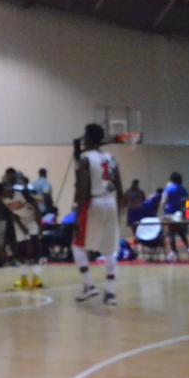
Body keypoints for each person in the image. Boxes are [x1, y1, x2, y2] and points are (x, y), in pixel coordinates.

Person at [72, 124, 122, 306]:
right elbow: (119, 186)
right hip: (111, 202)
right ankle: (110, 292)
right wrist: (119, 210)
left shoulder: (85, 159)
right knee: (109, 248)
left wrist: (78, 211)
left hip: (94, 203)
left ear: (89, 138)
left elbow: (83, 188)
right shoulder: (110, 158)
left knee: (77, 245)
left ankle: (89, 285)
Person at [2, 184, 43, 289]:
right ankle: (23, 278)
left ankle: (36, 278)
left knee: (35, 250)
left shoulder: (27, 197)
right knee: (21, 251)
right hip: (20, 224)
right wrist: (21, 227)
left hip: (32, 222)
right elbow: (13, 215)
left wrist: (40, 227)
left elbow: (37, 211)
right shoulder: (6, 199)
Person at [161, 172, 189, 261]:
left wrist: (164, 209)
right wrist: (188, 214)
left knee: (171, 234)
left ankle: (174, 253)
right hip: (180, 214)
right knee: (181, 232)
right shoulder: (183, 189)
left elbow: (163, 202)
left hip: (170, 214)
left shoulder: (168, 189)